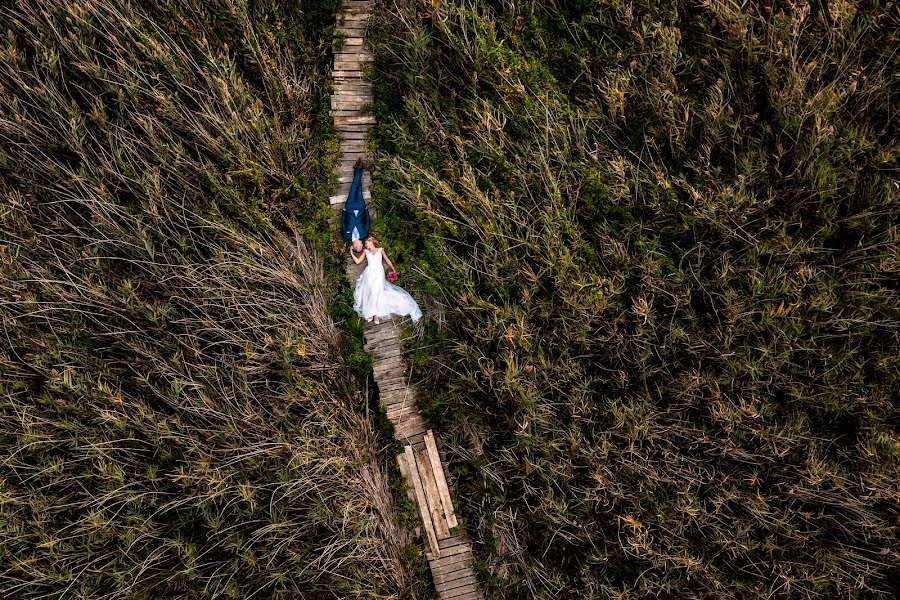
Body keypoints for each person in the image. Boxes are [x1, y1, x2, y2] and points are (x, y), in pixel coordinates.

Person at [350, 237, 422, 325]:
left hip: (379, 273)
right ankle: (371, 313)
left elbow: (387, 260)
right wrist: (351, 252)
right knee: (371, 291)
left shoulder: (380, 250)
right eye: (365, 244)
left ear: (371, 242)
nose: (365, 245)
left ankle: (376, 314)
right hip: (369, 273)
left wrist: (393, 269)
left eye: (366, 243)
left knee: (377, 291)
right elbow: (357, 261)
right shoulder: (366, 252)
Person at [342, 157, 370, 243]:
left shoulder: (346, 236)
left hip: (349, 207)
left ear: (353, 246)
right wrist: (366, 210)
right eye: (359, 246)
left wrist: (344, 211)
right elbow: (367, 223)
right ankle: (358, 168)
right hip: (361, 208)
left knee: (354, 188)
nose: (358, 245)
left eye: (356, 247)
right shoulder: (364, 235)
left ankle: (359, 168)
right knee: (359, 188)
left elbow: (343, 223)